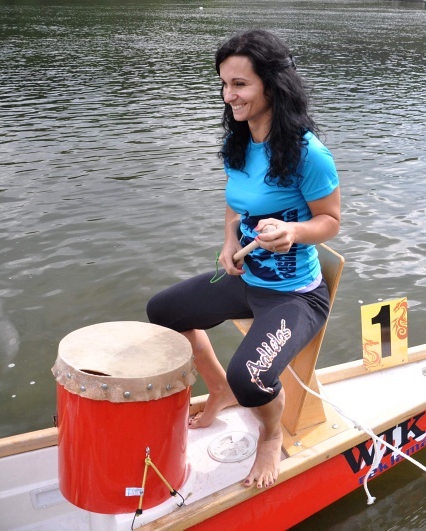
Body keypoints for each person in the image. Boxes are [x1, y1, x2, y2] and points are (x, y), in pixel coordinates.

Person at [146, 29, 340, 490]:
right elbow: (236, 203)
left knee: (251, 378)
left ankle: (270, 435)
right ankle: (218, 390)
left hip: (295, 295)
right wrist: (229, 239)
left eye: (240, 84)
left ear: (272, 86)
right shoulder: (239, 142)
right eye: (224, 84)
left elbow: (331, 221)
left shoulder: (309, 154)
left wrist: (293, 232)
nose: (228, 95)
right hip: (247, 276)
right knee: (163, 312)